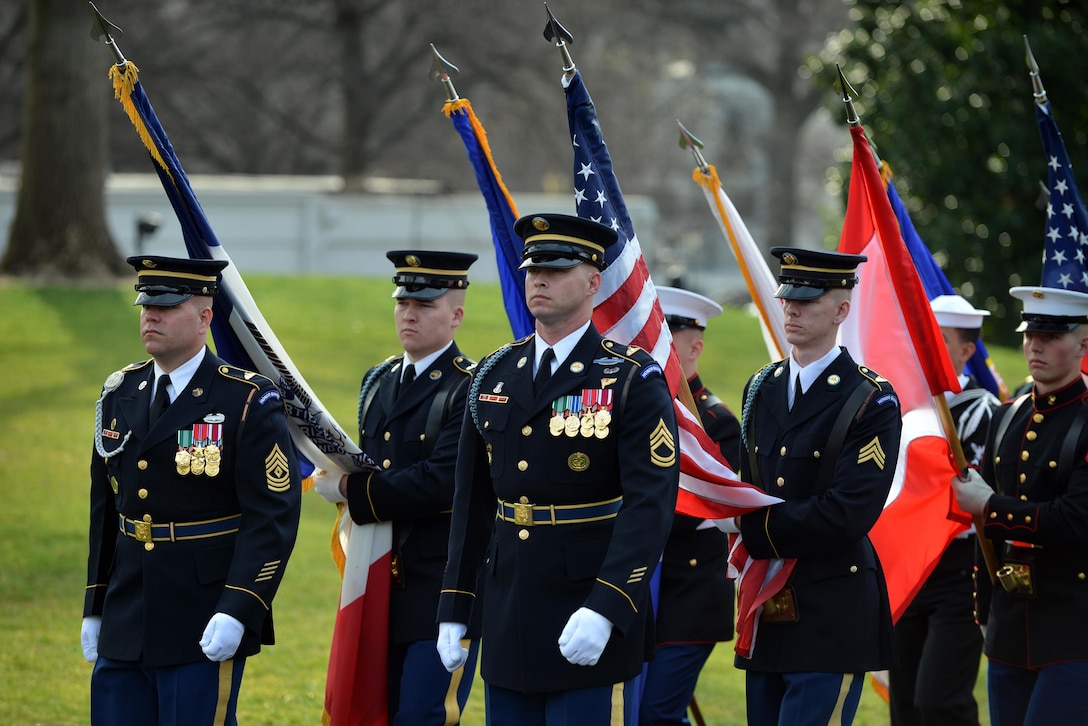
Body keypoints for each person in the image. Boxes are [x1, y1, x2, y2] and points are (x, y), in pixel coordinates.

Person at [436, 213, 680, 724]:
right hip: (509, 607)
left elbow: (649, 507)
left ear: (593, 282)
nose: (538, 279)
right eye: (531, 269)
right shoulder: (493, 372)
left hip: (587, 605)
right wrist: (455, 605)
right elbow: (472, 502)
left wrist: (609, 604)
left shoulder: (630, 378)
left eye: (557, 269)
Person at [82, 256, 302, 725]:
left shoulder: (246, 399)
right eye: (146, 305)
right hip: (126, 612)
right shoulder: (120, 391)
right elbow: (107, 513)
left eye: (167, 306)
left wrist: (241, 606)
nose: (150, 316)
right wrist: (94, 605)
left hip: (201, 612)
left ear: (205, 317)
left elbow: (272, 519)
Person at [733, 247, 902, 726]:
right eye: (788, 298)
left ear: (841, 309)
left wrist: (749, 525)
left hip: (832, 610)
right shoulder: (760, 388)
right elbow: (752, 483)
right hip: (768, 609)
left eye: (807, 300)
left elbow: (848, 511)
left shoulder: (870, 397)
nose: (792, 308)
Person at [314, 250, 480, 724]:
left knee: (423, 715)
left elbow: (441, 481)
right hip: (379, 580)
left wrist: (349, 489)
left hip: (440, 585)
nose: (409, 312)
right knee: (372, 710)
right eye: (403, 301)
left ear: (456, 315)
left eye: (426, 304)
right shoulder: (378, 380)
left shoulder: (470, 387)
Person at [953, 284, 1088, 725]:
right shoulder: (1008, 415)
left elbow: (1074, 521)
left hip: (1073, 626)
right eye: (1031, 335)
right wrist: (985, 607)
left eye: (1051, 337)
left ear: (1082, 343)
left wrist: (991, 506)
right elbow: (985, 535)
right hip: (1010, 625)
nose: (1035, 346)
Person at [889, 294, 999, 726]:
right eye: (921, 338)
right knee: (905, 703)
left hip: (959, 572)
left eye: (940, 339)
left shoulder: (983, 412)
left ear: (967, 351)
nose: (925, 348)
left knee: (939, 700)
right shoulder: (900, 406)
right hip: (907, 563)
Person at [640, 286, 739, 726]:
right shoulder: (639, 407)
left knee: (657, 714)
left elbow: (709, 507)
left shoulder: (716, 423)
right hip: (638, 587)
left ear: (695, 345)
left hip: (689, 593)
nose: (651, 344)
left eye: (666, 334)